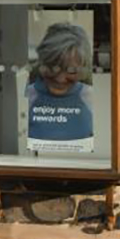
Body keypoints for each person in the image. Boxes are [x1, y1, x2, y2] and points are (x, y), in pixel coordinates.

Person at [25, 22, 96, 154]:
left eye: (71, 71)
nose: (60, 79)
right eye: (53, 68)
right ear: (42, 61)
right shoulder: (27, 96)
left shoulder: (93, 98)